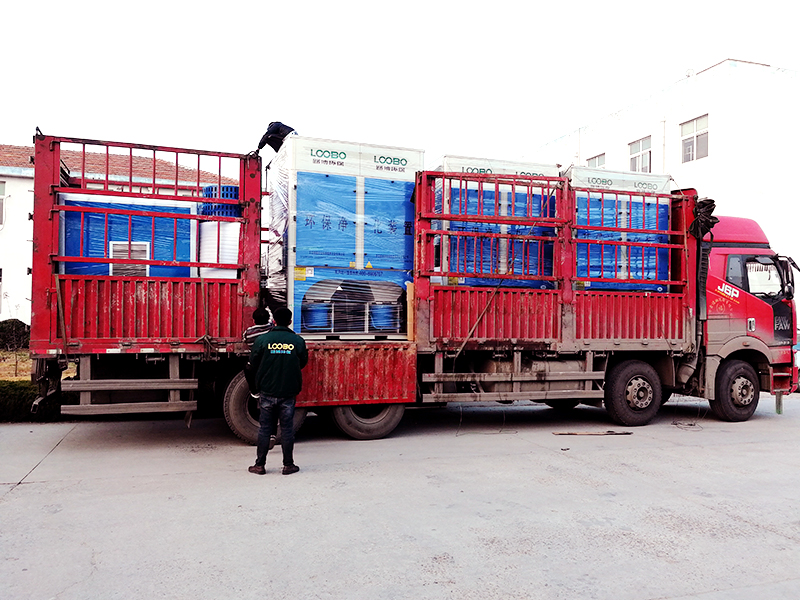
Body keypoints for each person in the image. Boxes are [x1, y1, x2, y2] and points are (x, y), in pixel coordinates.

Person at [247, 307, 308, 475]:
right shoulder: (297, 341)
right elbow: (302, 362)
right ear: (290, 321)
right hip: (288, 392)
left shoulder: (263, 340)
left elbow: (253, 362)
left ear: (273, 321)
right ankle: (288, 465)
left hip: (267, 391)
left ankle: (259, 465)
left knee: (265, 429)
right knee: (287, 430)